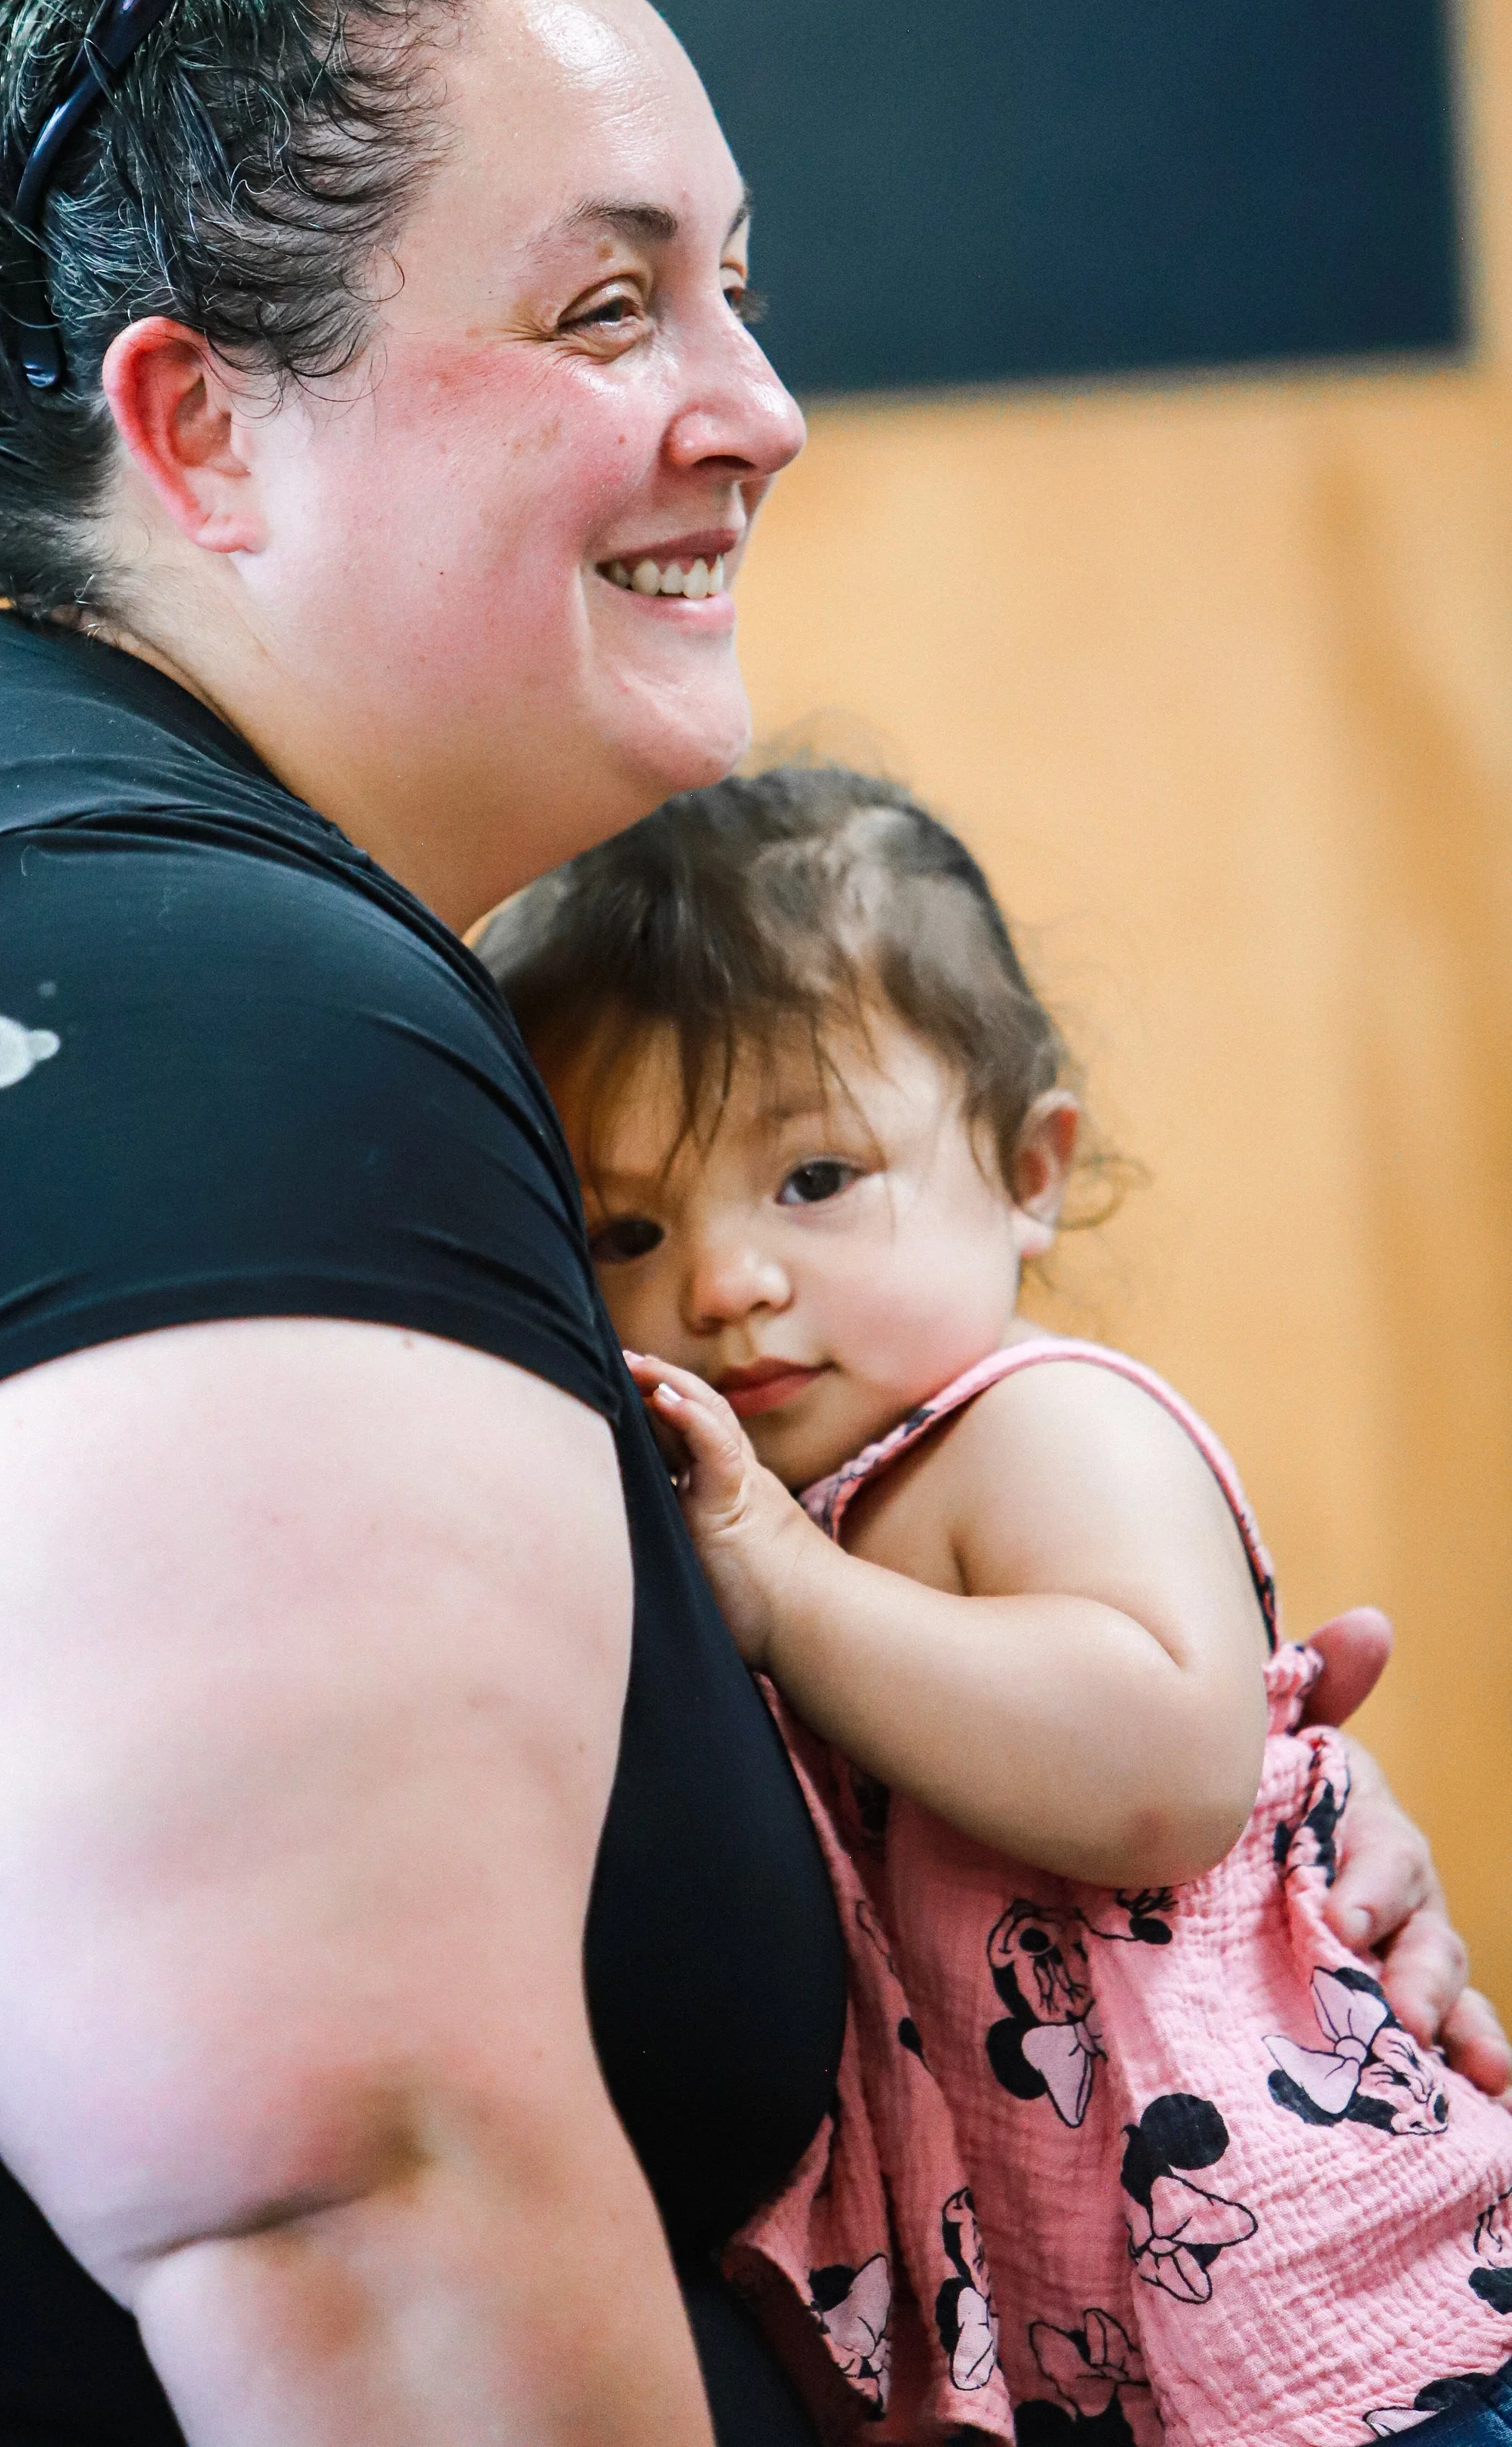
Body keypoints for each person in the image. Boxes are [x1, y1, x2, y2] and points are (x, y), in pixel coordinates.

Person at [0, 0, 1490, 2447]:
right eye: (614, 303)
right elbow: (352, 2184)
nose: (760, 408)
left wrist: (1181, 1910)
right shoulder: (163, 998)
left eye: (742, 283)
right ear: (202, 424)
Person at [481, 764, 1512, 2444]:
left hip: (1341, 2333)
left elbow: (1160, 1770)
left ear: (1027, 1167)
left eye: (812, 1178)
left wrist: (793, 1592)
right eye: (629, 1225)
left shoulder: (1034, 1430)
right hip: (1100, 2358)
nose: (723, 1279)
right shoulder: (763, 1508)